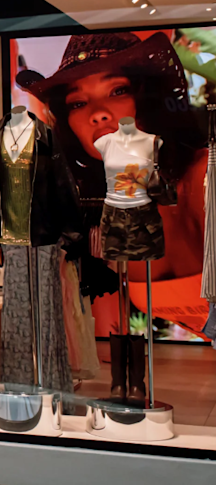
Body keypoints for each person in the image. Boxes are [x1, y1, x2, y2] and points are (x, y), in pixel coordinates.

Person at [16, 31, 209, 336]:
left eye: (117, 91)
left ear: (148, 98)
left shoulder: (204, 177)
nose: (97, 114)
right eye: (78, 103)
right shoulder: (117, 200)